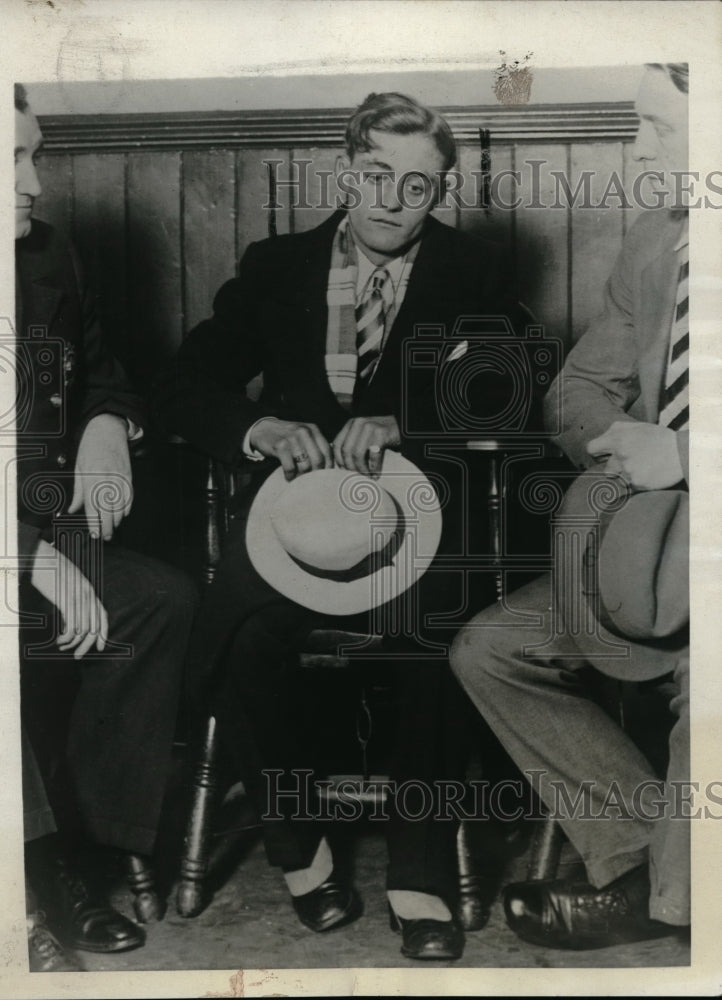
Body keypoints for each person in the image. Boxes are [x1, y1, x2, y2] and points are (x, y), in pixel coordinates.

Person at [154, 92, 524, 961]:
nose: (394, 200)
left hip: (420, 529)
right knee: (240, 633)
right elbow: (182, 384)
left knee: (440, 634)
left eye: (419, 186)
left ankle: (421, 872)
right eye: (375, 176)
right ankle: (298, 846)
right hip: (298, 531)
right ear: (342, 169)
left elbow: (508, 404)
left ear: (441, 194)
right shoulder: (277, 265)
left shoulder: (473, 271)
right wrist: (257, 430)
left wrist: (409, 425)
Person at [450, 63, 691, 948]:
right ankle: (645, 861)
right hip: (658, 551)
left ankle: (668, 899)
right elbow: (574, 393)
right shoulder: (658, 242)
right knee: (493, 648)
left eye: (659, 127)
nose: (638, 150)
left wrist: (689, 452)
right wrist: (626, 444)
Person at [14, 83, 198, 969]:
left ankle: (80, 846)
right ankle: (31, 879)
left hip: (35, 521)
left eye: (34, 156)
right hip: (7, 541)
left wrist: (105, 425)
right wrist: (22, 560)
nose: (34, 183)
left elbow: (107, 374)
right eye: (10, 160)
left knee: (153, 599)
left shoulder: (50, 256)